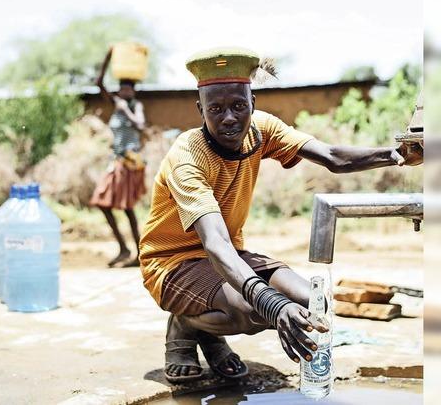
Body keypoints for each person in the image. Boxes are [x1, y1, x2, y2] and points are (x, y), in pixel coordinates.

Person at [138, 47, 423, 383]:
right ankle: (186, 324)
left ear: (253, 104)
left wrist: (395, 154)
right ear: (201, 109)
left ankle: (209, 325)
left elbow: (332, 156)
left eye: (238, 106)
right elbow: (214, 242)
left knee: (312, 301)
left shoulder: (260, 130)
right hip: (173, 263)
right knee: (253, 311)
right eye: (216, 109)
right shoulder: (187, 157)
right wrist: (272, 305)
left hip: (229, 254)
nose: (229, 117)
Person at [89, 47, 147, 268]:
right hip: (116, 161)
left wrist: (126, 111)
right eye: (121, 90)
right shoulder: (115, 103)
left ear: (133, 92)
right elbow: (98, 83)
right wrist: (107, 58)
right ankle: (123, 248)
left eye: (127, 90)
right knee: (102, 202)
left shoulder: (135, 106)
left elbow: (141, 125)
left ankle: (139, 253)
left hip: (130, 162)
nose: (124, 93)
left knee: (127, 208)